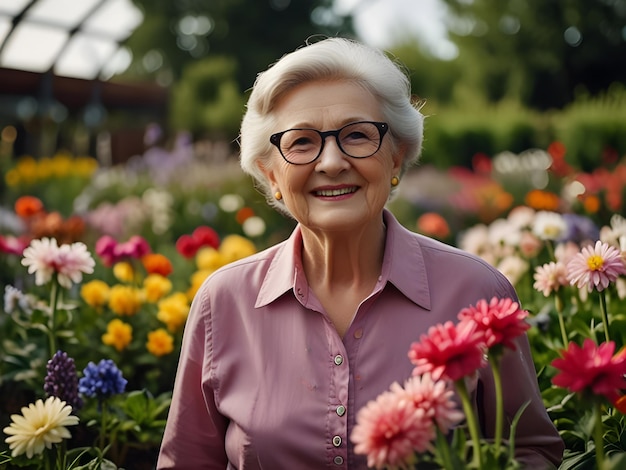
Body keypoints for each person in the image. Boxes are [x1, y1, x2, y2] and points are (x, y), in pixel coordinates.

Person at [157, 37, 564, 469]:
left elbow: (531, 452)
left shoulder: (477, 292)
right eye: (301, 142)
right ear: (270, 173)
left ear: (396, 157)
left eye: (357, 135)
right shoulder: (223, 303)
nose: (331, 162)